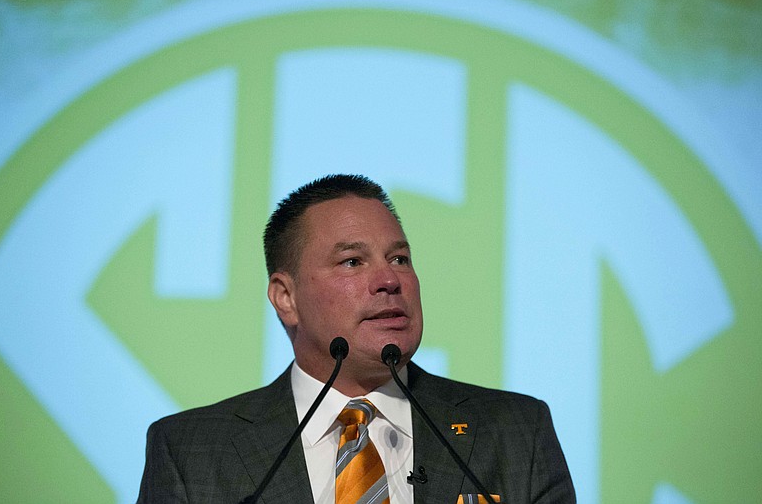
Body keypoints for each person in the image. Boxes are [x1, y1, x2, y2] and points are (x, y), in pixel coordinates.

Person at [137, 174, 575, 503]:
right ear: (285, 297)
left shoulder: (517, 432)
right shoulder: (189, 452)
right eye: (351, 262)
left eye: (400, 258)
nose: (389, 279)